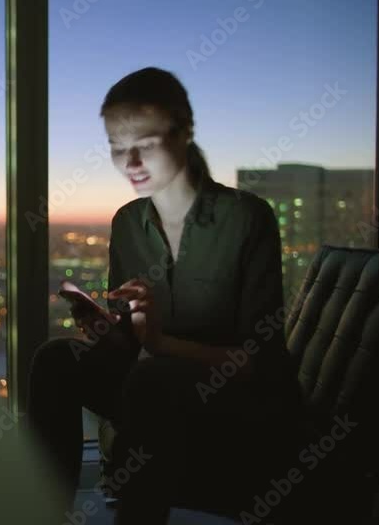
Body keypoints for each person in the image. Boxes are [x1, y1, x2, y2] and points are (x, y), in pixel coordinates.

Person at [26, 67, 306, 524]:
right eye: (118, 147)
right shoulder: (128, 223)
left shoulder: (246, 218)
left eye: (146, 143)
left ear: (185, 132)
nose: (131, 162)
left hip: (237, 398)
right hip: (152, 385)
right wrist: (112, 332)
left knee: (152, 380)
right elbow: (132, 343)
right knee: (56, 359)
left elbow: (262, 364)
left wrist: (161, 343)